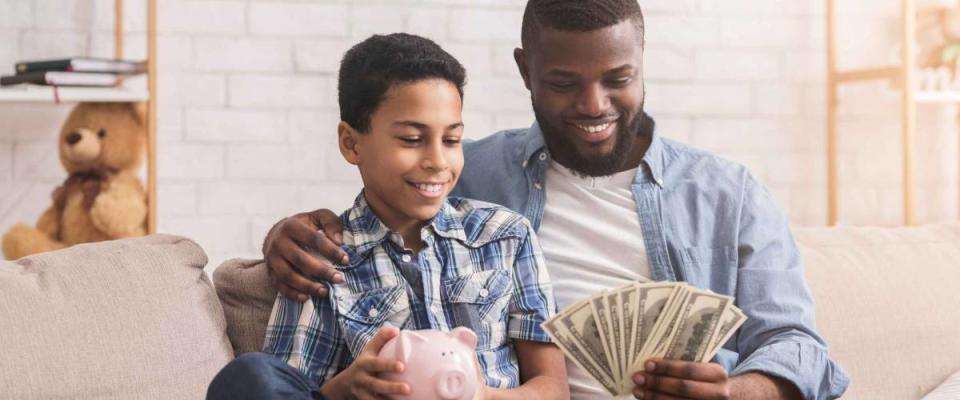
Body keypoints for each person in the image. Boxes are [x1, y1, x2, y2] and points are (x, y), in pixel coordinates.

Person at [260, 1, 850, 399]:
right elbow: (389, 207)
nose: (594, 105)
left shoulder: (729, 193)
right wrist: (288, 236)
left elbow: (798, 345)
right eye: (565, 83)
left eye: (618, 79)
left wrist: (741, 393)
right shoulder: (476, 174)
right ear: (526, 71)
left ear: (642, 65)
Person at [207, 33, 568, 400]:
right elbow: (288, 389)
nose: (437, 162)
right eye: (412, 139)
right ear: (351, 143)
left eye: (451, 140)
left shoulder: (506, 236)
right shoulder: (323, 262)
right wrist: (346, 389)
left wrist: (481, 394)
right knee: (251, 375)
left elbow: (553, 388)